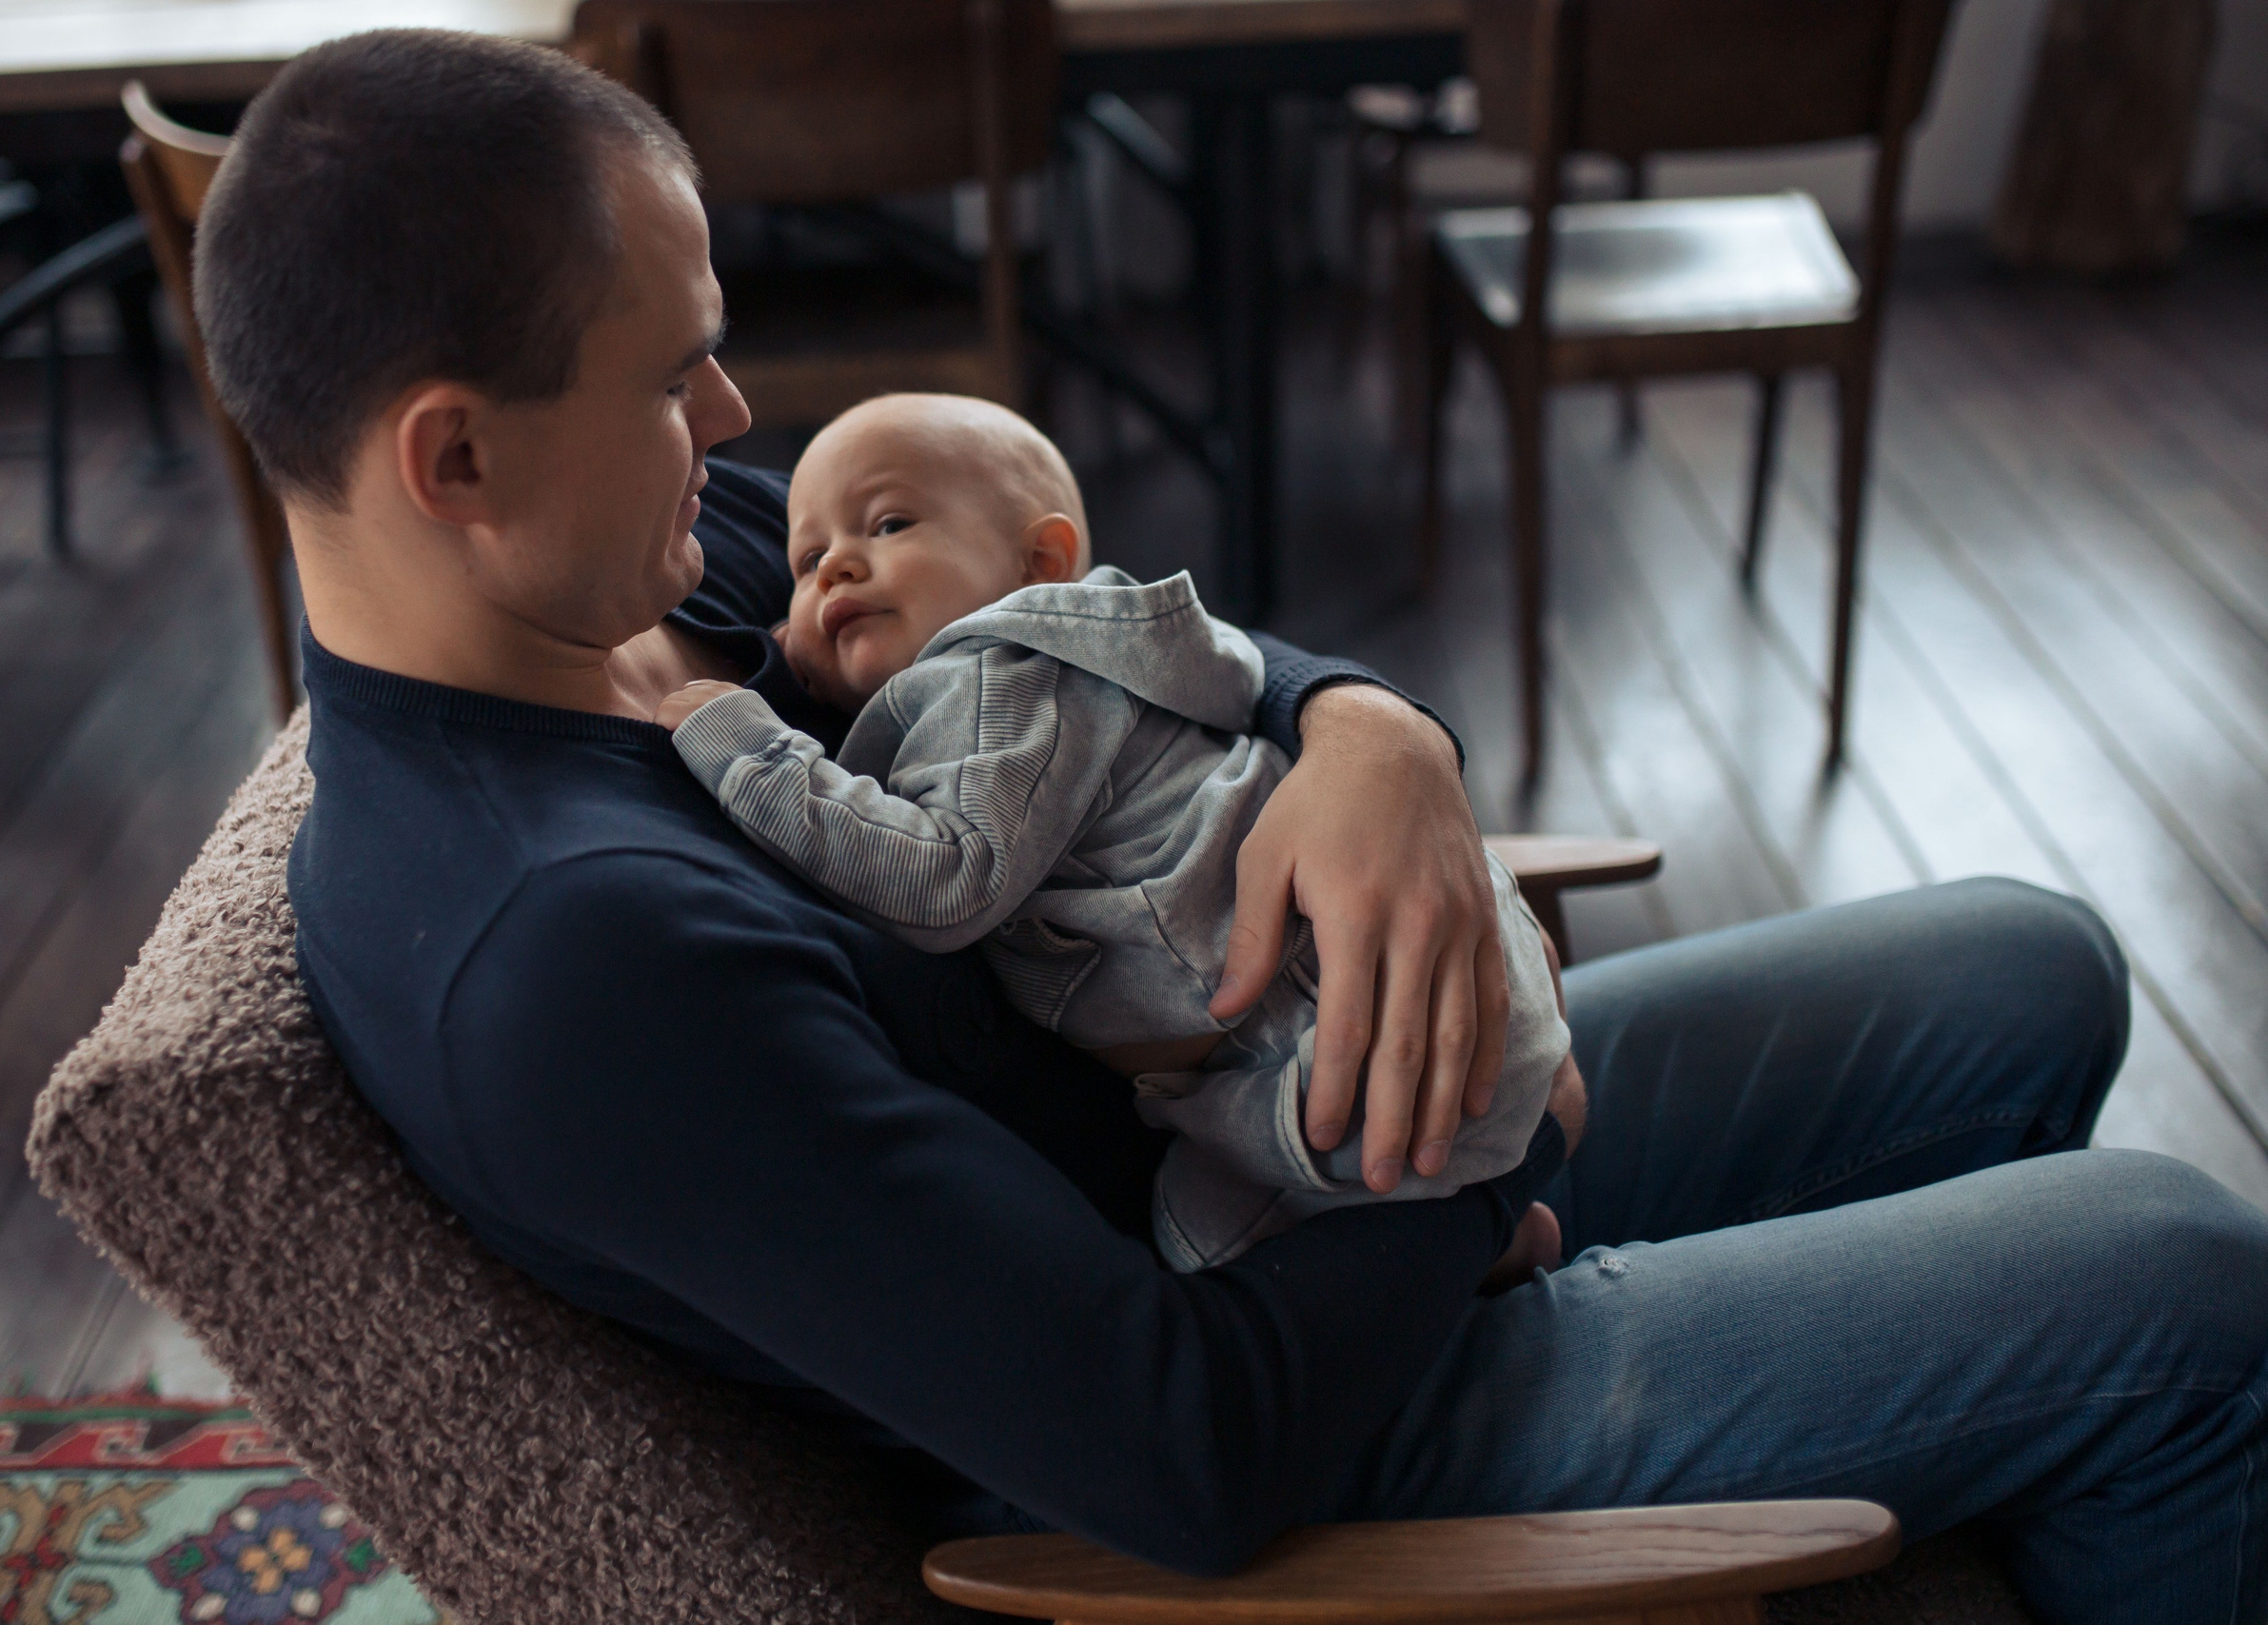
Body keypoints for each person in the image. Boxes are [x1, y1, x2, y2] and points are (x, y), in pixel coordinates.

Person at [198, 29, 2268, 1623]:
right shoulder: (562, 957)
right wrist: (1470, 1178)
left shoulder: (631, 566)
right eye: (679, 373)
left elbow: (1059, 632)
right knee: (2182, 1280)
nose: (738, 430)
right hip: (1289, 1369)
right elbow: (1165, 1445)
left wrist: (1374, 738)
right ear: (451, 453)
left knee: (2027, 963)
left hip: (1291, 1113)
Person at [652, 392, 1571, 1272]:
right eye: (807, 565)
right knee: (1197, 1229)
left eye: (888, 526)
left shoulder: (999, 672)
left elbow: (946, 879)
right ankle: (1489, 1237)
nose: (837, 567)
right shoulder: (1081, 659)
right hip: (1368, 1008)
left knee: (1213, 1229)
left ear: (1042, 565)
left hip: (1343, 1031)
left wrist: (751, 746)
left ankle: (1474, 1226)